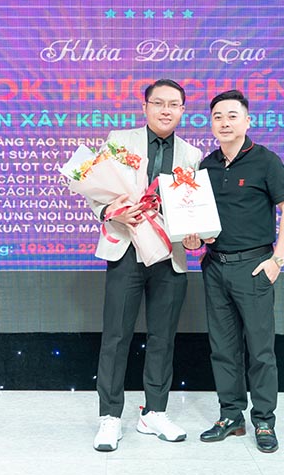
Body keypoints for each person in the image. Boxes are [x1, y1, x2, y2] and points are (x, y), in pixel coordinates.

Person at [87, 79, 203, 452]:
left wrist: (196, 235)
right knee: (116, 336)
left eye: (174, 104)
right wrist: (111, 211)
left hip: (169, 254)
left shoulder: (192, 155)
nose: (166, 110)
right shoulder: (119, 141)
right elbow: (95, 190)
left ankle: (154, 412)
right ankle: (109, 417)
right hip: (126, 249)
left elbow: (194, 207)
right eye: (159, 103)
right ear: (145, 107)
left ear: (183, 110)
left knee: (162, 337)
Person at [182, 89, 284, 454]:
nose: (225, 122)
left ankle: (263, 420)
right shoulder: (206, 167)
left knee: (260, 350)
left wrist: (277, 260)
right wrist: (192, 240)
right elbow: (199, 220)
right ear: (211, 123)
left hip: (254, 267)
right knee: (223, 348)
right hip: (215, 266)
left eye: (232, 116)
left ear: (247, 121)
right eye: (218, 116)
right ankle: (230, 415)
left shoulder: (266, 161)